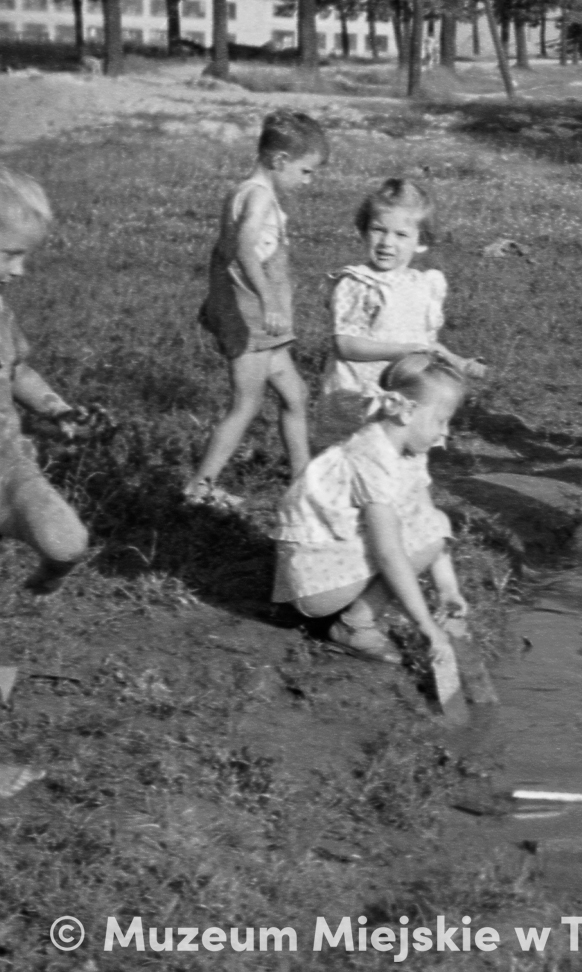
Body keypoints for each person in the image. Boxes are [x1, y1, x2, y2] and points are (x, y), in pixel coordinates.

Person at [272, 353, 468, 665]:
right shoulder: (372, 457)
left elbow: (429, 520)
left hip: (326, 568)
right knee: (405, 540)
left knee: (433, 521)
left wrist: (447, 589)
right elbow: (388, 553)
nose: (445, 433)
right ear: (407, 411)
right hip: (313, 585)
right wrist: (427, 627)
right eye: (440, 421)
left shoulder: (408, 451)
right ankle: (355, 625)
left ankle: (349, 608)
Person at [186, 110, 326, 509]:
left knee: (296, 395)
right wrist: (268, 299)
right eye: (305, 171)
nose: (307, 181)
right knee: (245, 404)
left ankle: (303, 482)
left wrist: (217, 300)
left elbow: (222, 254)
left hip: (258, 321)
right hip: (253, 320)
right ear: (280, 160)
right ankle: (199, 488)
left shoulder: (244, 192)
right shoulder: (259, 196)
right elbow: (244, 249)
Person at [315, 179, 485, 449]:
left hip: (406, 393)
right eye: (378, 230)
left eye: (401, 235)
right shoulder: (359, 283)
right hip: (360, 394)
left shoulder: (423, 284)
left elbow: (424, 344)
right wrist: (402, 350)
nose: (387, 242)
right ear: (364, 231)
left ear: (421, 242)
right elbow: (345, 344)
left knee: (401, 456)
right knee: (357, 457)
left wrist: (457, 361)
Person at [0, 168, 89, 595]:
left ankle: (43, 582)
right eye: (9, 254)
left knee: (67, 543)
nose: (19, 270)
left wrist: (55, 407)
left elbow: (16, 371)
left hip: (8, 469)